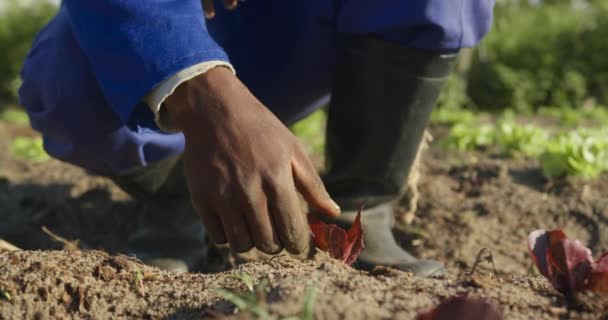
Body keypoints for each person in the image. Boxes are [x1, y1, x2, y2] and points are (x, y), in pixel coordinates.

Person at [19, 0, 495, 276]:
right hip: (210, 17)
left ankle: (362, 201)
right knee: (67, 78)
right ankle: (180, 198)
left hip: (329, 20)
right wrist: (199, 89)